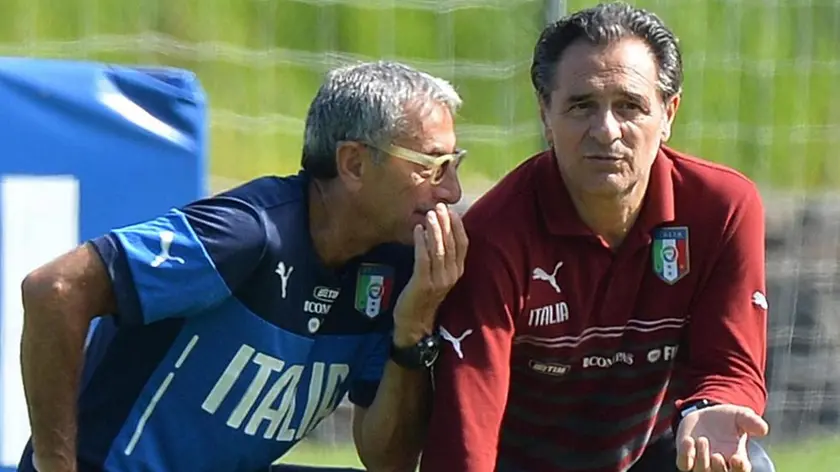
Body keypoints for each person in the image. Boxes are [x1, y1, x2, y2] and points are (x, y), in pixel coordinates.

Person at [18, 60, 467, 472]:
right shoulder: (245, 235)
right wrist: (55, 465)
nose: (451, 191)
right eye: (433, 166)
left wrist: (412, 330)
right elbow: (54, 290)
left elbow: (389, 461)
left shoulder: (396, 267)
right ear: (353, 163)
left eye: (454, 164)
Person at [419, 3, 774, 472]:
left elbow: (729, 365)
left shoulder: (723, 207)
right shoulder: (495, 234)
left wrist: (709, 407)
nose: (606, 131)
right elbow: (467, 430)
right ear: (546, 114)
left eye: (629, 106)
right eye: (581, 105)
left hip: (651, 456)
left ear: (668, 113)